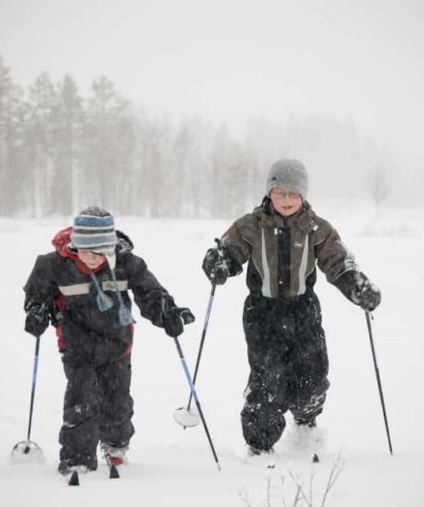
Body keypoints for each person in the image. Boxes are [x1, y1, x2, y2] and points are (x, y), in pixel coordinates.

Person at [201, 158, 381, 456]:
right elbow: (229, 251)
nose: (286, 200)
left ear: (303, 195)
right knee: (267, 379)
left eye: (293, 194)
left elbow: (338, 263)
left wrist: (356, 286)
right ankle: (259, 444)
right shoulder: (251, 225)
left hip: (303, 312)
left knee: (312, 376)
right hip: (262, 314)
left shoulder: (316, 228)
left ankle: (305, 420)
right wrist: (218, 262)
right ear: (269, 193)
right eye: (280, 192)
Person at [23, 206, 195, 475]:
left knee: (117, 399)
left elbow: (150, 293)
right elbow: (36, 295)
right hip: (76, 344)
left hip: (117, 343)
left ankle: (115, 445)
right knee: (82, 399)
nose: (92, 259)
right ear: (76, 245)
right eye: (86, 251)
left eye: (101, 252)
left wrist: (167, 312)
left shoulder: (127, 263)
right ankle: (77, 457)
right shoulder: (52, 265)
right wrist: (36, 313)